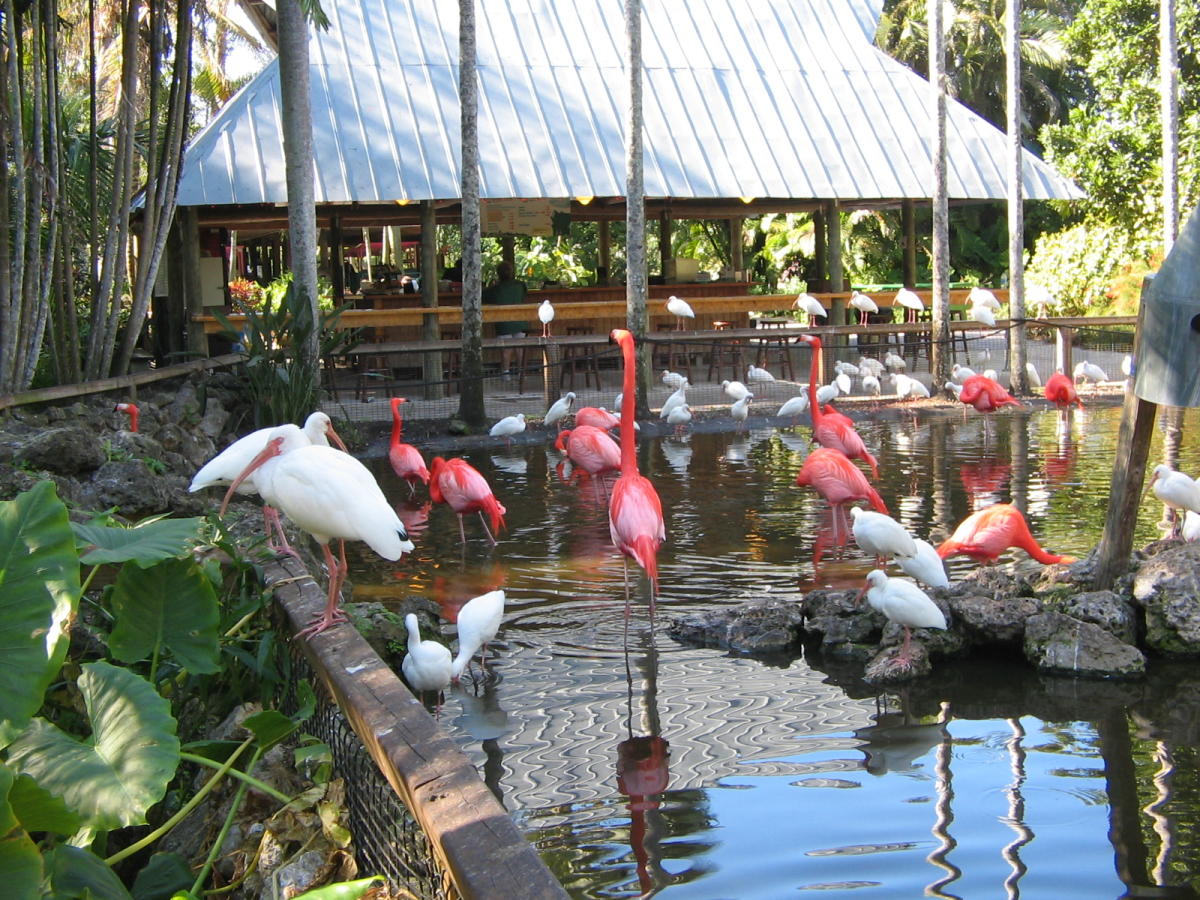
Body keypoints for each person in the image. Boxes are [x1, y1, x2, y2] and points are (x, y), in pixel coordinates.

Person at [483, 261, 529, 378]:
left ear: (498, 274)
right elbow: (524, 295)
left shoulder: (496, 289)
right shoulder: (520, 285)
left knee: (506, 349)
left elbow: (483, 297)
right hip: (520, 320)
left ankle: (506, 373)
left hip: (504, 322)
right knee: (519, 348)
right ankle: (521, 373)